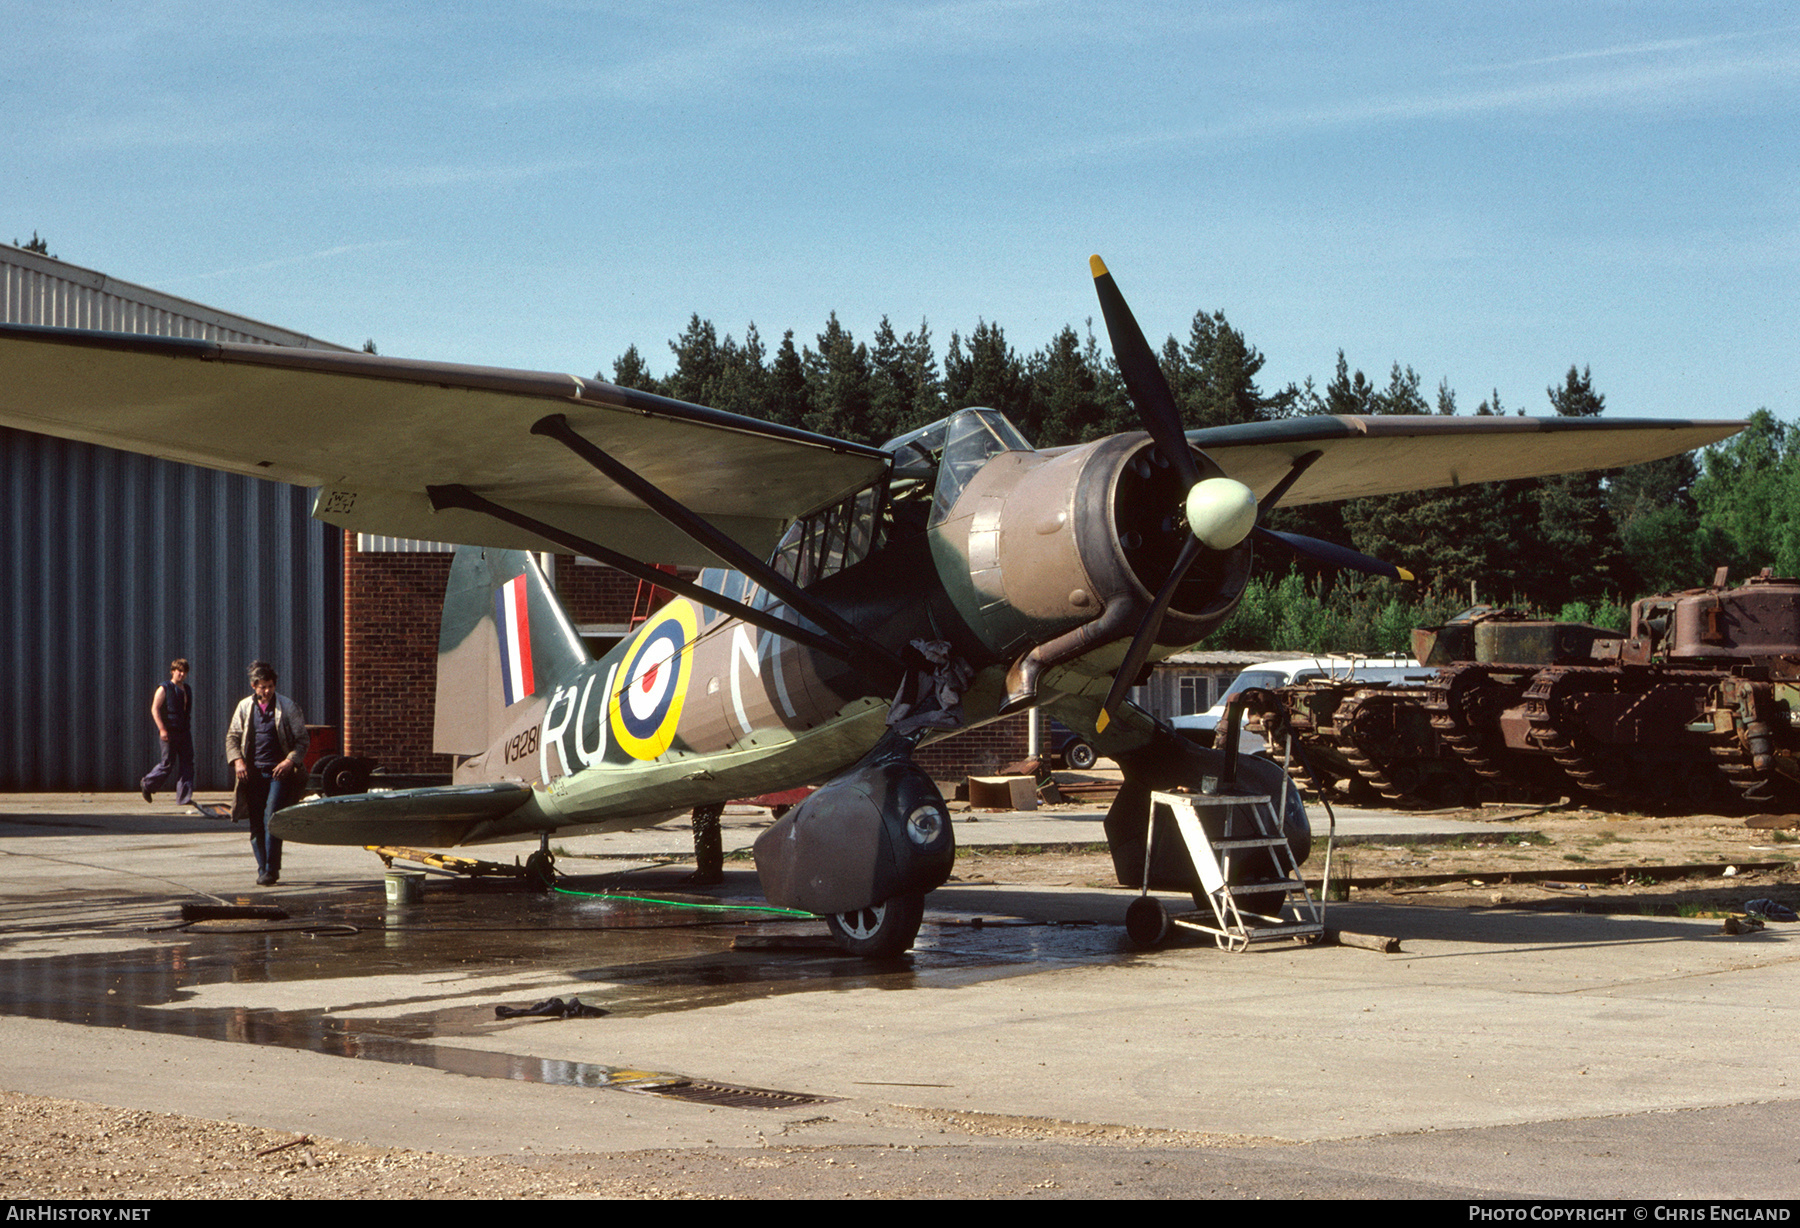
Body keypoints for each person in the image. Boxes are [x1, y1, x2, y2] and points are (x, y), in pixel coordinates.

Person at [225, 661, 307, 886]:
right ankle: (262, 868)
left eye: (270, 686)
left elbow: (302, 741)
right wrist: (238, 761)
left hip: (278, 774)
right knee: (256, 823)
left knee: (272, 818)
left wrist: (290, 761)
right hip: (251, 775)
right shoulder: (244, 707)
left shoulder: (287, 707)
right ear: (254, 686)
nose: (267, 691)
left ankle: (271, 869)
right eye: (262, 687)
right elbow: (232, 737)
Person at [140, 659, 194, 805]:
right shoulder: (164, 688)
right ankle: (147, 784)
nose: (182, 674)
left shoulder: (187, 689)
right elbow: (155, 708)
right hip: (170, 732)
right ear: (173, 671)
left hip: (184, 732)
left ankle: (184, 797)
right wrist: (162, 729)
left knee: (187, 763)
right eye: (179, 671)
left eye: (184, 672)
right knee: (167, 764)